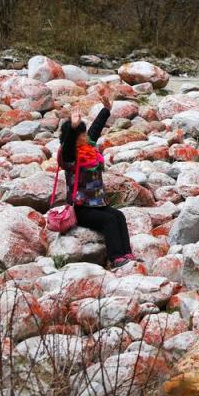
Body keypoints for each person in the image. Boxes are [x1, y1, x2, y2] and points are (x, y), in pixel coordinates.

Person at [58, 86, 137, 268]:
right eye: (81, 134)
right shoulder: (69, 156)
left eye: (85, 133)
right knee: (109, 221)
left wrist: (106, 110)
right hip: (81, 208)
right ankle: (116, 257)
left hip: (97, 204)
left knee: (118, 215)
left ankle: (127, 254)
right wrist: (73, 128)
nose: (86, 136)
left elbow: (96, 129)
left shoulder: (89, 148)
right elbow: (69, 143)